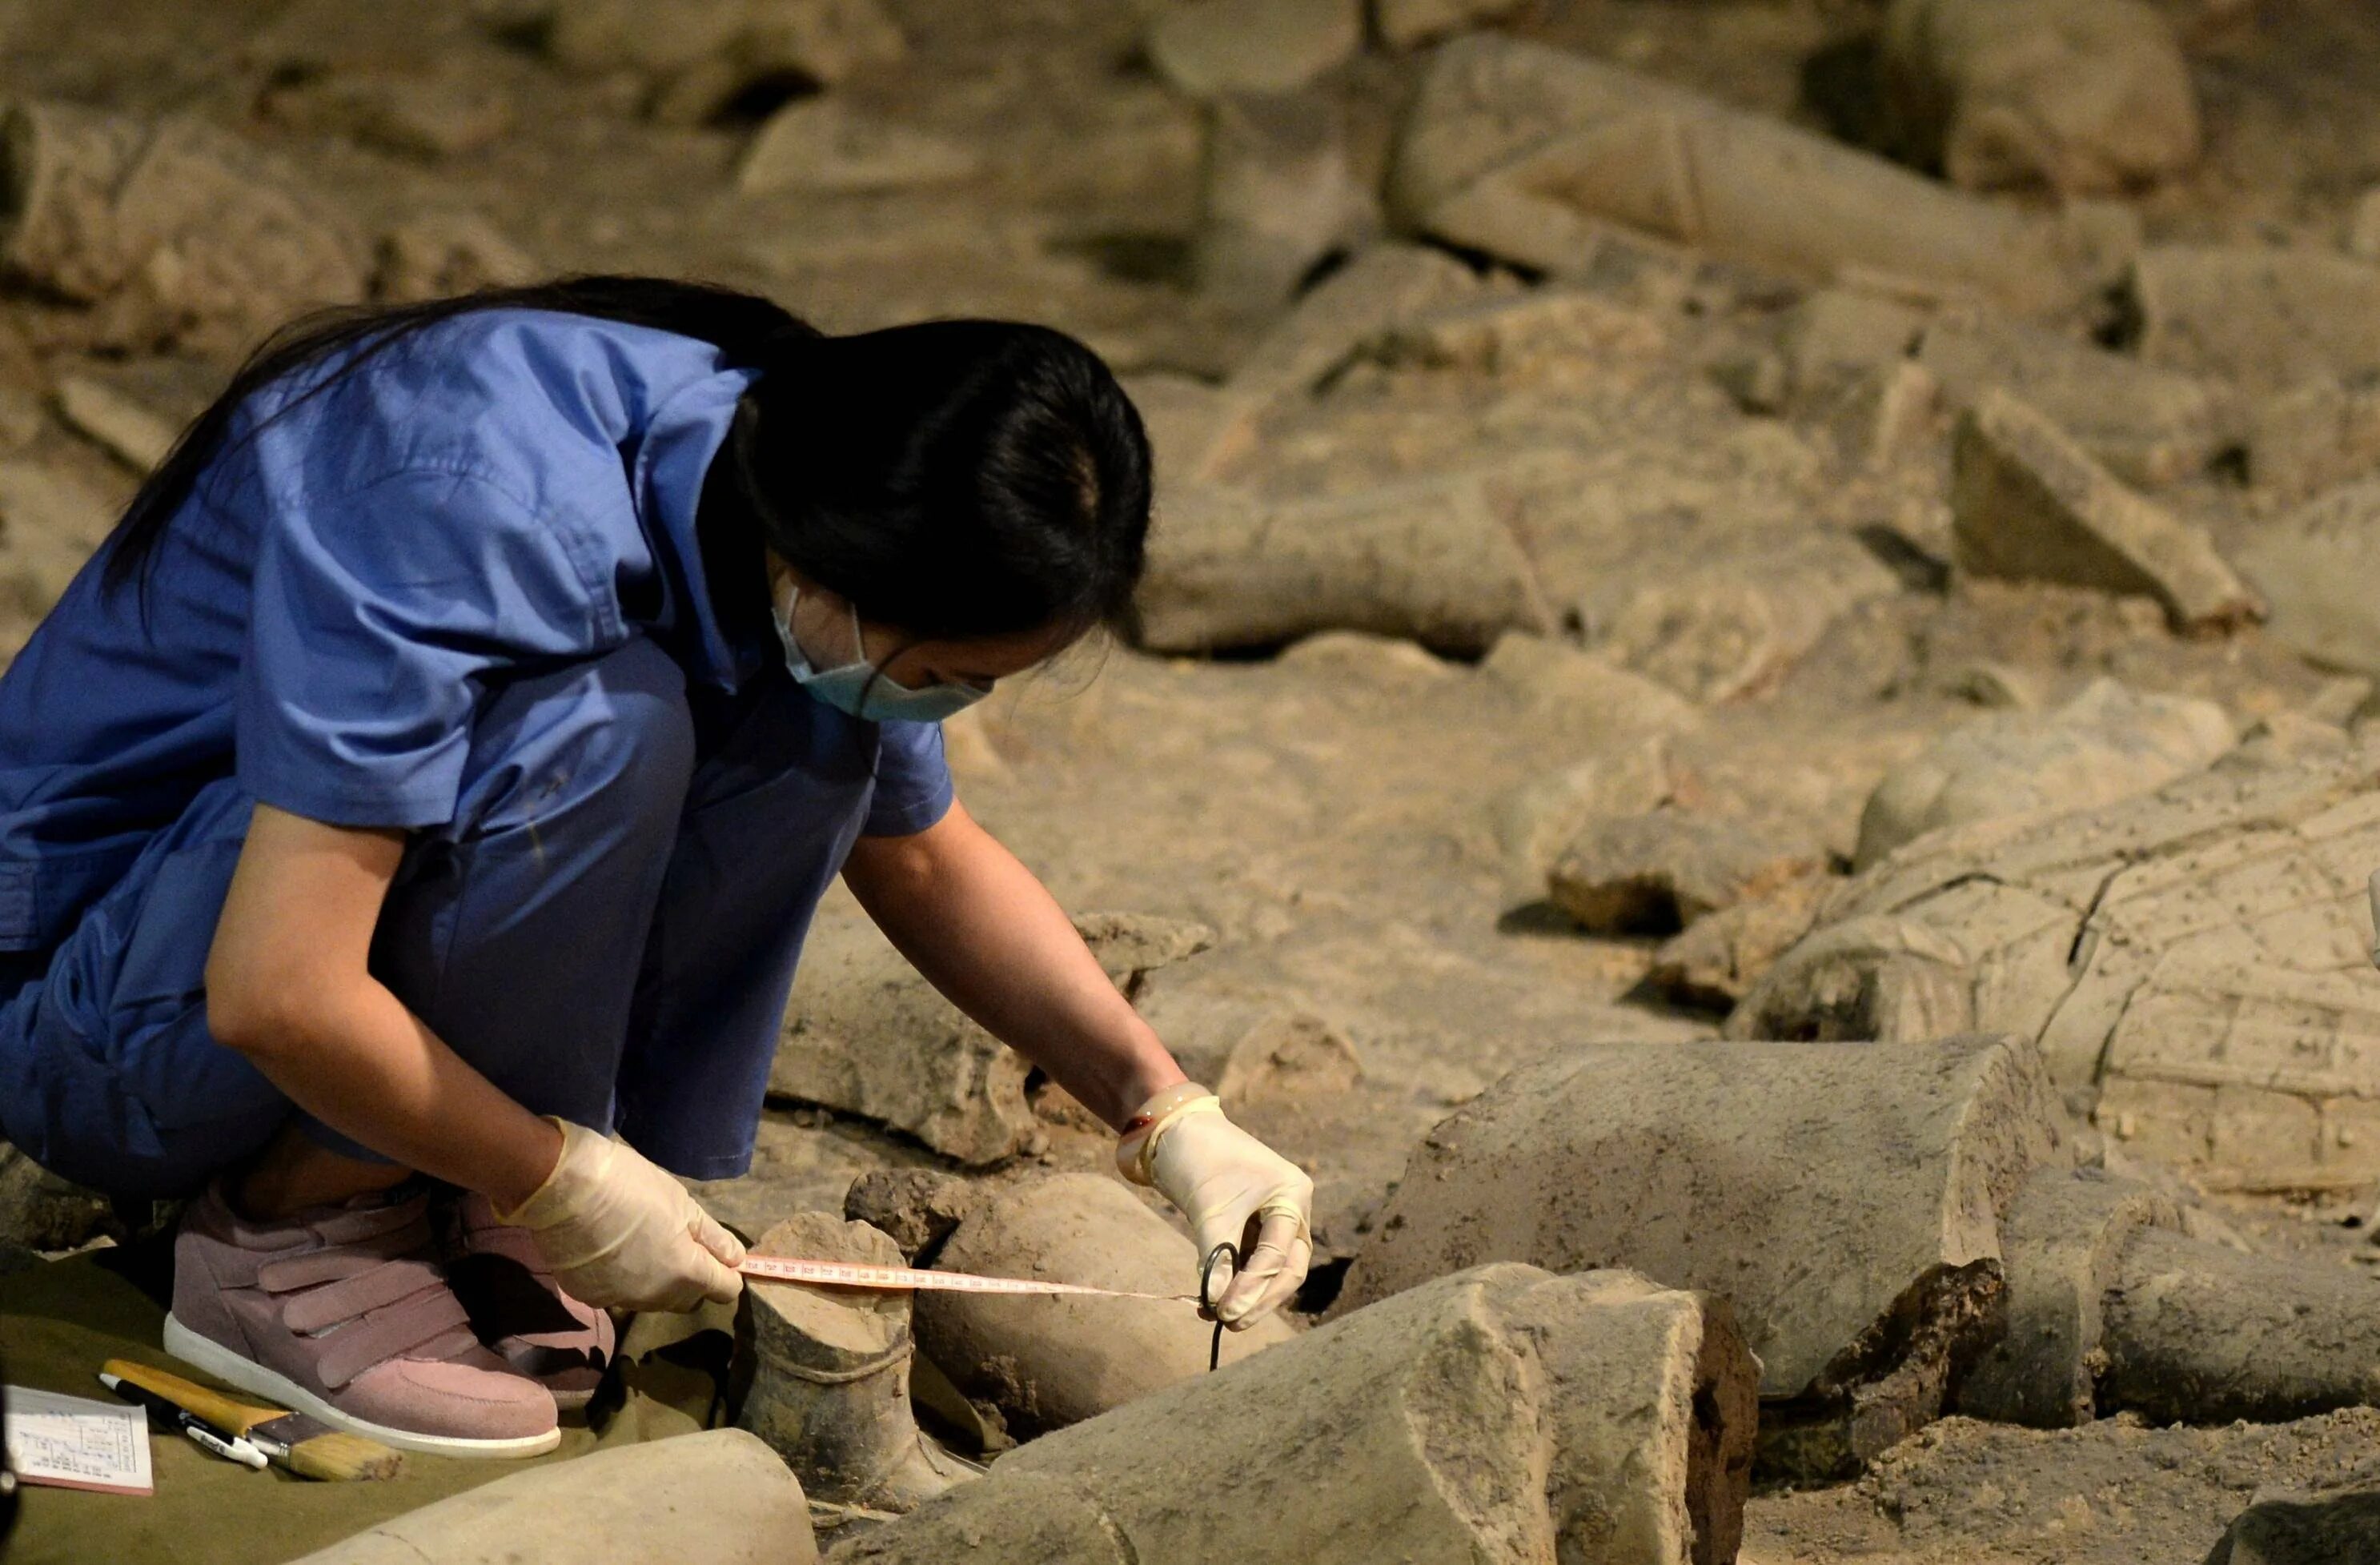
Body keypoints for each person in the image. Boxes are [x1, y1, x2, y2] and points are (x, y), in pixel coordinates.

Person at [0, 278, 1313, 1459]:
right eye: (946, 677)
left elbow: (920, 858)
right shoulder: (467, 496)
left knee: (805, 732)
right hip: (96, 1004)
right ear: (840, 568)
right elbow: (275, 992)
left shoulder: (790, 476)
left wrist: (1167, 1119)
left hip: (252, 966)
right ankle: (293, 1230)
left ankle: (442, 1178)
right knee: (597, 727)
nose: (951, 707)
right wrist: (551, 1174)